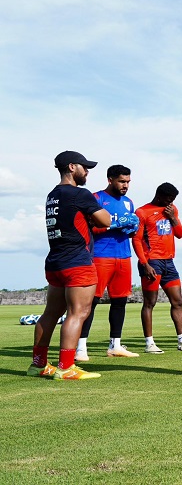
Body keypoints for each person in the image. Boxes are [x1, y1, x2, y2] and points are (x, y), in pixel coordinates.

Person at [29, 151, 111, 380]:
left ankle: (38, 364)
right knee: (78, 313)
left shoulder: (52, 194)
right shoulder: (80, 193)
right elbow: (106, 221)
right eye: (85, 167)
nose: (87, 172)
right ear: (73, 167)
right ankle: (66, 367)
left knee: (50, 313)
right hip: (77, 262)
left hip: (55, 261)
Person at [77, 164, 140, 361]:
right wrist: (113, 224)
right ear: (110, 180)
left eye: (128, 181)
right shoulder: (96, 199)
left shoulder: (129, 202)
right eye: (122, 181)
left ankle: (116, 345)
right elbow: (88, 228)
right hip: (101, 256)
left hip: (123, 256)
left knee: (120, 301)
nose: (126, 185)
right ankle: (80, 347)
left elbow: (130, 231)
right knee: (91, 302)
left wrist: (132, 229)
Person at [133, 183, 182, 353]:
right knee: (150, 302)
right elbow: (136, 240)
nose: (171, 202)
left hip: (169, 262)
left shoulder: (172, 210)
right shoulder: (142, 212)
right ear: (159, 195)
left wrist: (173, 217)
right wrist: (145, 263)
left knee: (178, 301)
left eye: (173, 200)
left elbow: (180, 234)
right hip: (152, 262)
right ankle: (149, 343)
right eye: (169, 199)